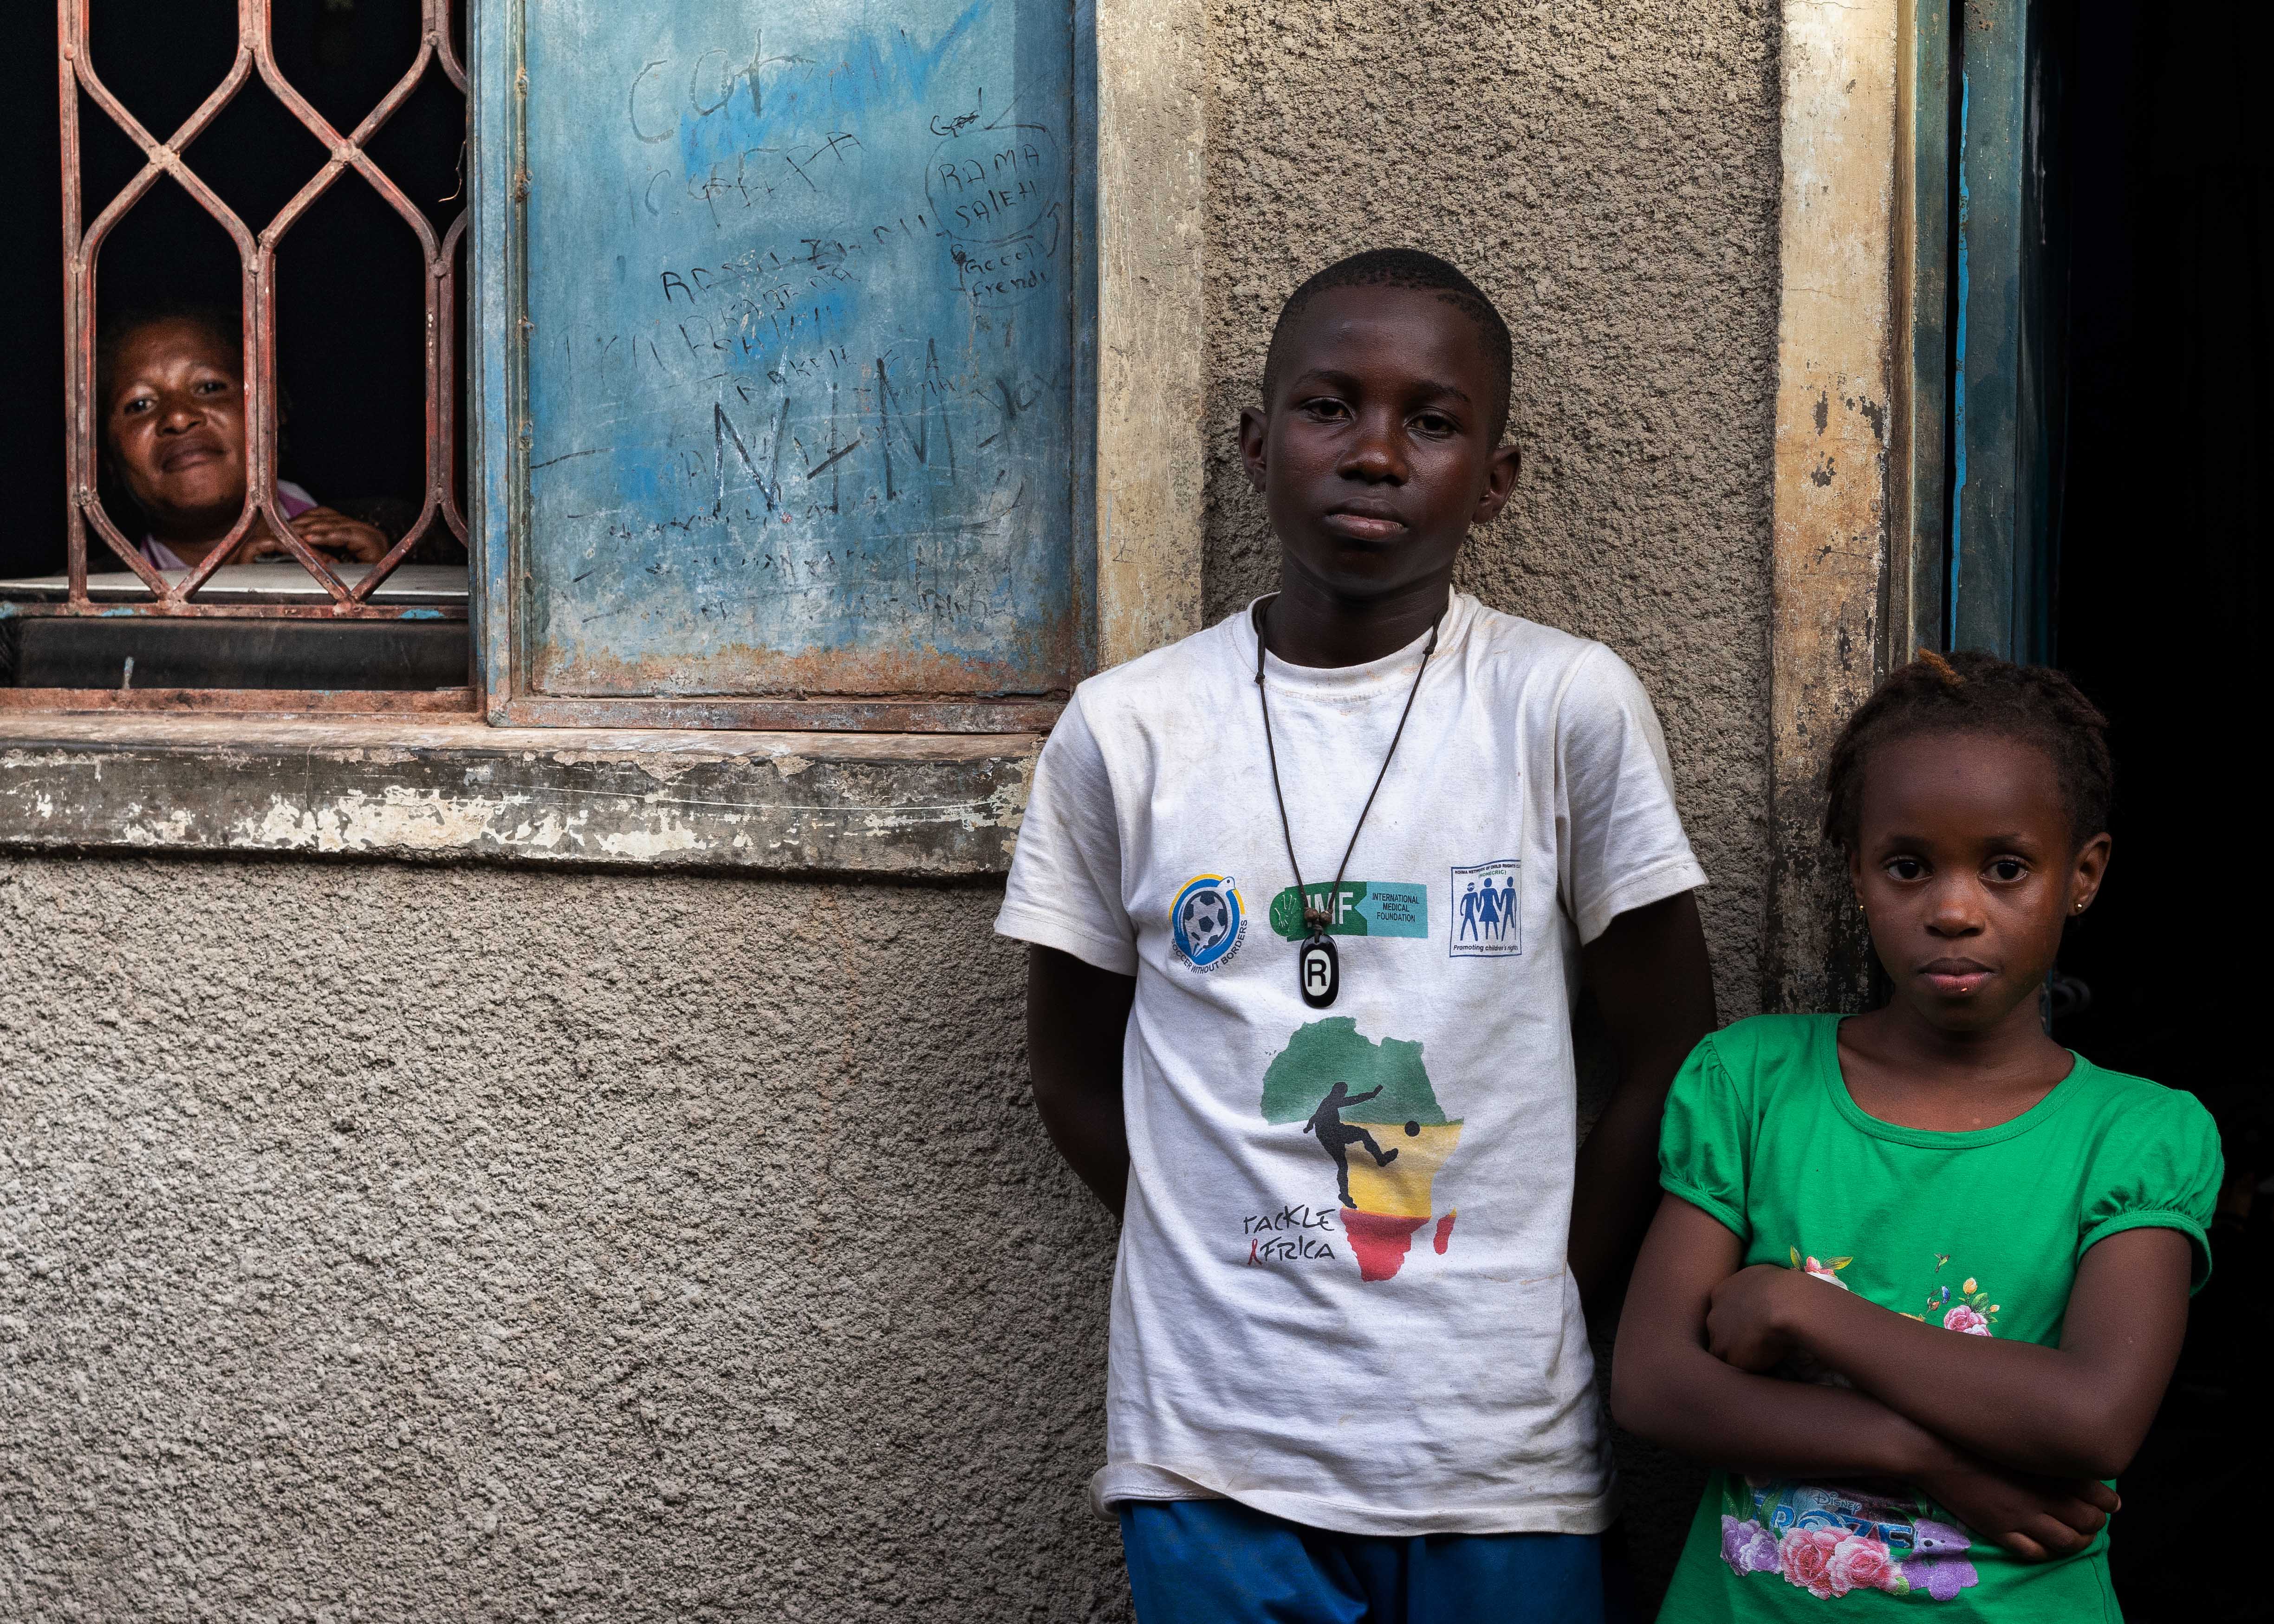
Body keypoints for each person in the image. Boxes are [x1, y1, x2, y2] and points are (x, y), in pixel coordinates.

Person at [999, 248, 1717, 1623]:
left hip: (1495, 1453)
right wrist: (1215, 1249)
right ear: (1255, 444)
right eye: (1329, 407)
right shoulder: (1130, 728)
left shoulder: (1559, 705)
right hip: (1214, 1444)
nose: (1375, 452)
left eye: (1430, 421)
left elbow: (1670, 1049)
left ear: (1494, 479)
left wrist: (1547, 1289)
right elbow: (1072, 1071)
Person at [1611, 651, 2222, 1620]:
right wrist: (1928, 1455)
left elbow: (2092, 1416)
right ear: (1856, 871)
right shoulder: (1754, 1083)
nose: (1952, 910)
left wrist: (1802, 1307)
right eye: (1907, 866)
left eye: (2006, 868)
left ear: (2083, 874)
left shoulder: (2136, 1134)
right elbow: (1653, 1384)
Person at [98, 304, 388, 571]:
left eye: (210, 388)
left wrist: (373, 586)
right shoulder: (88, 594)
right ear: (106, 456)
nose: (179, 418)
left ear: (273, 408)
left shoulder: (393, 530)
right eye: (140, 405)